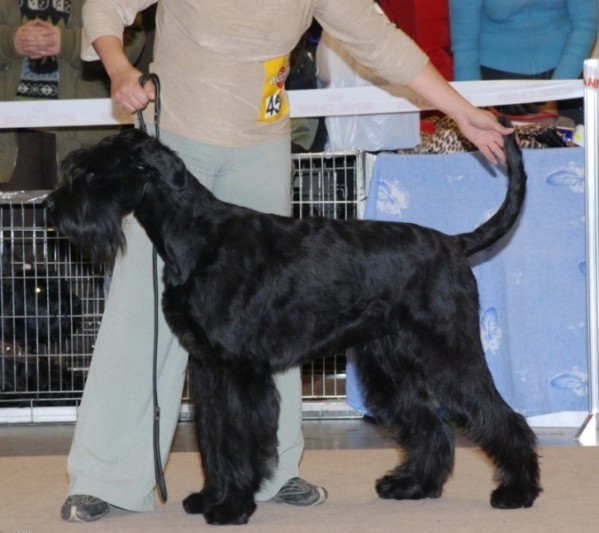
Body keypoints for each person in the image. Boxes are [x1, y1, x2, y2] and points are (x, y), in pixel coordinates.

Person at [61, 0, 512, 523]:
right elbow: (105, 7)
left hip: (261, 146)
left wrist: (461, 109)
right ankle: (108, 477)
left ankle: (274, 473)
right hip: (175, 140)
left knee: (278, 321)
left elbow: (381, 42)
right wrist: (119, 67)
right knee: (140, 322)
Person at [0, 0, 145, 190]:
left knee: (85, 206)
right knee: (14, 209)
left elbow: (132, 42)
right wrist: (9, 41)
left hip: (85, 133)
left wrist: (69, 43)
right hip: (9, 136)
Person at [449, 0, 598, 124]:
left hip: (569, 68)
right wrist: (470, 108)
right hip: (498, 84)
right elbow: (465, 47)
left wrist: (558, 89)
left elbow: (585, 25)